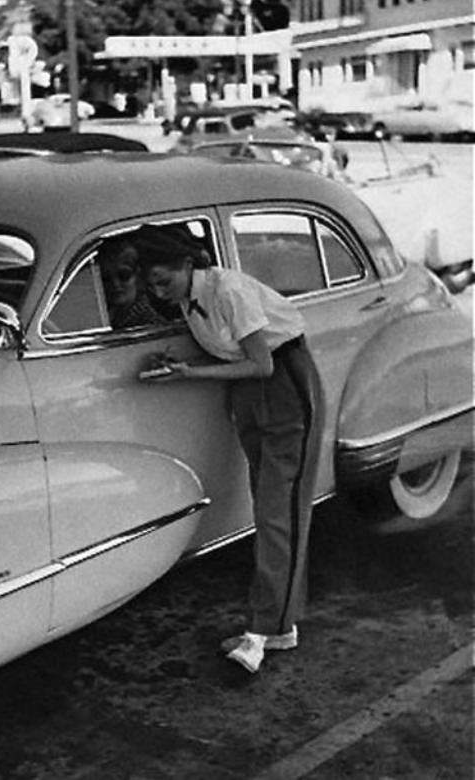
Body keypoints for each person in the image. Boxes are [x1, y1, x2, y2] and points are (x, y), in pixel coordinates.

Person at [136, 223, 324, 674]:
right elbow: (231, 356)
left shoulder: (228, 290)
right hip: (249, 392)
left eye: (164, 281)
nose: (159, 294)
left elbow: (261, 363)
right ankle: (280, 624)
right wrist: (180, 365)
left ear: (187, 263)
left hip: (283, 385)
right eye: (152, 285)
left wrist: (189, 374)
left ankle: (263, 630)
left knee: (281, 514)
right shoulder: (188, 299)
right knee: (267, 504)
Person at [99, 238, 172, 329]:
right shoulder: (106, 319)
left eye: (124, 275)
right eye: (106, 278)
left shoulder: (151, 325)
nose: (115, 284)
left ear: (138, 277)